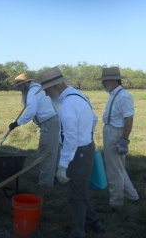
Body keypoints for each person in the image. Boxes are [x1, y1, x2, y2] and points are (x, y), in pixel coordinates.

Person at [36, 66, 104, 237]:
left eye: (46, 90)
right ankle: (94, 222)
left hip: (78, 152)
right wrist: (87, 134)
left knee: (75, 196)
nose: (46, 94)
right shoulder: (80, 96)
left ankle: (79, 232)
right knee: (79, 190)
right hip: (86, 147)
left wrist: (62, 165)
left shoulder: (67, 105)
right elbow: (94, 118)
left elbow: (70, 140)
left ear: (55, 86)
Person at [96, 67, 140, 211]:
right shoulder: (114, 94)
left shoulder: (123, 96)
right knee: (117, 168)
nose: (103, 84)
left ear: (114, 80)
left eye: (105, 81)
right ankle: (133, 197)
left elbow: (129, 118)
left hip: (116, 133)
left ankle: (115, 204)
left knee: (113, 170)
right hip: (110, 131)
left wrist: (124, 140)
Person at [9, 73, 60, 188]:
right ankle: (57, 177)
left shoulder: (32, 92)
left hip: (49, 123)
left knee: (46, 153)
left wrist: (17, 123)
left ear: (26, 83)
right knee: (55, 153)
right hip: (53, 121)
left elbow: (31, 111)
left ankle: (45, 183)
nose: (19, 89)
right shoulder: (38, 88)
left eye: (20, 86)